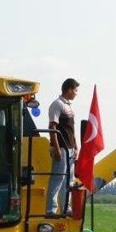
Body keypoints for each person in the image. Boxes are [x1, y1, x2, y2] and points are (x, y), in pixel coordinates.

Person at [46, 78, 79, 215]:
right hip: (62, 148)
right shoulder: (57, 104)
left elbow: (71, 130)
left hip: (70, 148)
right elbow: (52, 127)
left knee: (69, 180)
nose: (76, 93)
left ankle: (66, 208)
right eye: (75, 90)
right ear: (69, 89)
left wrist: (76, 147)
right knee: (58, 178)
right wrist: (57, 148)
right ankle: (51, 210)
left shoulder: (69, 107)